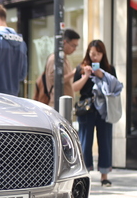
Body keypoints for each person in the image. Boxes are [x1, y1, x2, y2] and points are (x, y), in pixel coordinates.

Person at [73, 40, 117, 187]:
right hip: (87, 109)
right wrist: (86, 75)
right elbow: (74, 88)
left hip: (104, 109)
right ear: (88, 53)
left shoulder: (109, 69)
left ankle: (104, 176)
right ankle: (85, 175)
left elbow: (115, 89)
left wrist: (102, 75)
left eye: (98, 54)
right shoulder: (81, 68)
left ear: (103, 54)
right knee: (85, 142)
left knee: (105, 141)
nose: (95, 57)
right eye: (92, 54)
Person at [44, 28, 81, 107]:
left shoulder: (65, 58)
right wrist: (73, 73)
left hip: (65, 104)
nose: (74, 49)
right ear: (64, 42)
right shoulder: (55, 59)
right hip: (57, 104)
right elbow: (55, 80)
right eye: (73, 45)